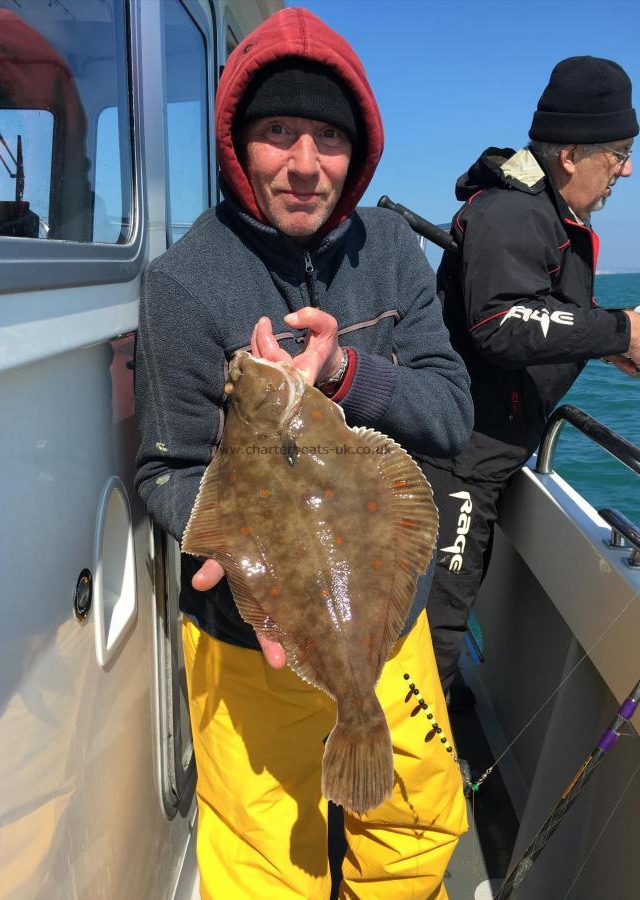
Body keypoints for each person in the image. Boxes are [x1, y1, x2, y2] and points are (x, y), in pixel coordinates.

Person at [135, 7, 473, 898]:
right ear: (237, 144)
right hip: (248, 636)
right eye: (276, 132)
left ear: (356, 151)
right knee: (260, 864)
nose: (303, 162)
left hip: (379, 619)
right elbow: (164, 468)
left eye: (327, 136)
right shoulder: (179, 284)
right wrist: (233, 552)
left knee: (413, 830)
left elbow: (448, 414)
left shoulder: (394, 250)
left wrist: (348, 375)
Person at [417, 55, 640, 709]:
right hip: (457, 454)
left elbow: (532, 315)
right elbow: (497, 320)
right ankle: (418, 760)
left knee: (454, 595)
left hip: (487, 446)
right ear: (570, 155)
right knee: (441, 609)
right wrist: (620, 333)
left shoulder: (541, 206)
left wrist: (599, 350)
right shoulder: (513, 213)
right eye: (618, 154)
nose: (624, 171)